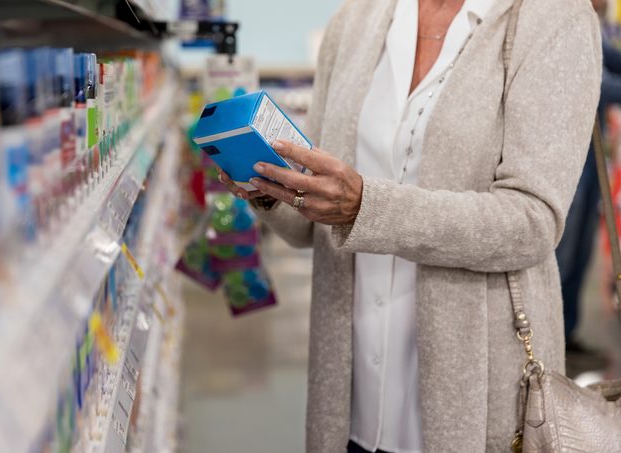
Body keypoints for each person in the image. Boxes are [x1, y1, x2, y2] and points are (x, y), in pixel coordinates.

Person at [218, 0, 601, 451]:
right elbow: (310, 225)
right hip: (351, 397)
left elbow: (532, 221)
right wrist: (271, 188)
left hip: (473, 400)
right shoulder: (355, 22)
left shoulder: (553, 18)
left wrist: (364, 207)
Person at [557, 0, 621, 355]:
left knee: (581, 251)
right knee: (562, 252)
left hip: (590, 155)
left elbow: (612, 60)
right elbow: (601, 86)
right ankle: (549, 339)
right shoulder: (566, 23)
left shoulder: (592, 26)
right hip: (567, 155)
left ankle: (566, 333)